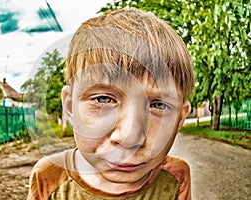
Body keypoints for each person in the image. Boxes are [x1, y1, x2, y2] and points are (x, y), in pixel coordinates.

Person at [27, 7, 194, 200]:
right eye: (103, 99)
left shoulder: (176, 176)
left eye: (158, 105)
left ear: (180, 118)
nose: (130, 138)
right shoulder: (49, 177)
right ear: (70, 107)